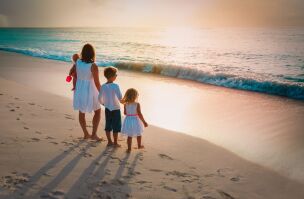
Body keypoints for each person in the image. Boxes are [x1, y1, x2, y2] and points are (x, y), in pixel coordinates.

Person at [73, 44, 102, 141]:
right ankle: (94, 134)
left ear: (83, 52)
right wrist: (103, 94)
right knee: (97, 111)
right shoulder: (93, 66)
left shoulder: (77, 62)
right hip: (91, 89)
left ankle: (86, 134)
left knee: (82, 112)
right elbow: (97, 83)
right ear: (93, 53)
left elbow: (74, 57)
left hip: (80, 89)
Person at [99, 66, 123, 147]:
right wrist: (126, 102)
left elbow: (99, 98)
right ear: (113, 76)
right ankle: (115, 142)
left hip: (107, 109)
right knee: (116, 126)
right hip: (116, 109)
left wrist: (104, 104)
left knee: (108, 125)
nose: (116, 76)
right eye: (116, 75)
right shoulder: (116, 86)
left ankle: (109, 141)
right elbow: (120, 98)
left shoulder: (103, 86)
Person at [121, 88, 148, 153]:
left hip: (128, 120)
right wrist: (144, 122)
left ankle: (129, 148)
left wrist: (129, 113)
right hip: (136, 120)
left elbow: (125, 113)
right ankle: (139, 145)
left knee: (129, 135)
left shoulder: (125, 104)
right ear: (135, 96)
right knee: (138, 133)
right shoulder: (137, 104)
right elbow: (139, 113)